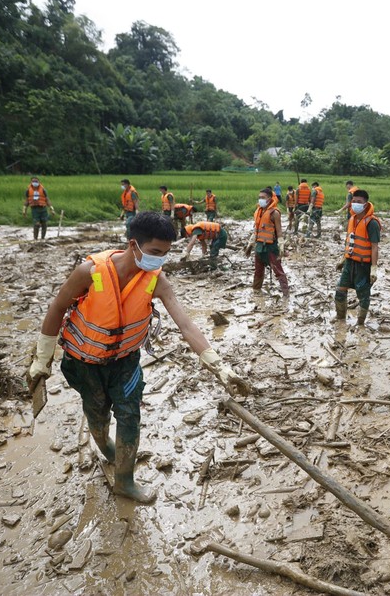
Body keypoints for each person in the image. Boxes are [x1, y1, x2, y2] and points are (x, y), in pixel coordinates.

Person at [26, 212, 248, 504]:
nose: (160, 261)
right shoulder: (89, 272)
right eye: (155, 252)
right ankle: (110, 451)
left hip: (125, 362)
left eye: (165, 254)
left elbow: (186, 324)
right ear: (134, 244)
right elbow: (56, 310)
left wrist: (220, 368)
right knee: (97, 416)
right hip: (83, 364)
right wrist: (42, 360)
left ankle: (125, 481)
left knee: (130, 415)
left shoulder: (156, 281)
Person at [334, 189, 381, 326]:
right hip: (350, 262)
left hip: (363, 265)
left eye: (359, 202)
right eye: (353, 201)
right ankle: (340, 318)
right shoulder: (352, 219)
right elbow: (350, 241)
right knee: (340, 290)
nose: (355, 204)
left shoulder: (371, 223)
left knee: (363, 294)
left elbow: (374, 247)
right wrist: (343, 259)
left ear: (365, 204)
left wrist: (373, 267)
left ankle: (360, 323)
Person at [245, 187, 290, 296]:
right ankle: (256, 291)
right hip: (259, 246)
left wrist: (281, 247)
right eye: (259, 197)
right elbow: (256, 230)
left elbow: (279, 232)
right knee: (258, 270)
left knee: (278, 270)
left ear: (269, 198)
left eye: (263, 198)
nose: (260, 200)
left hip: (271, 246)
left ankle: (286, 293)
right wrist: (250, 245)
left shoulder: (275, 213)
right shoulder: (258, 211)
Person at [22, 176, 55, 240]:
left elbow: (47, 200)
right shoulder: (28, 190)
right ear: (31, 182)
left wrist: (52, 209)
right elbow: (27, 201)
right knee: (36, 224)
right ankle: (35, 238)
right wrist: (24, 210)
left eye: (36, 181)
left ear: (39, 182)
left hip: (43, 209)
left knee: (44, 224)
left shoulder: (43, 190)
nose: (35, 183)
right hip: (35, 209)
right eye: (33, 181)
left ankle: (43, 238)